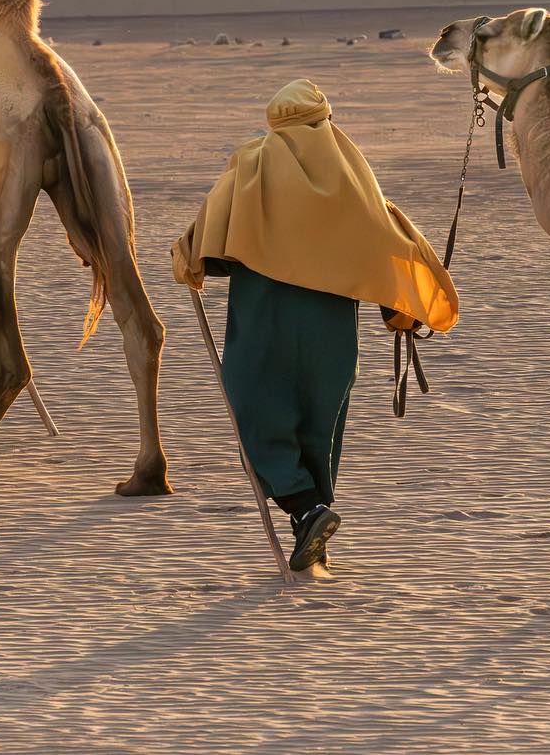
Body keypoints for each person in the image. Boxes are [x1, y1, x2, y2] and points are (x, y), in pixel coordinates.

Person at [173, 79, 458, 572]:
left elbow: (211, 250)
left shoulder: (251, 164)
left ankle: (306, 511)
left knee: (258, 417)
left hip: (265, 330)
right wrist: (400, 310)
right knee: (319, 428)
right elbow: (381, 248)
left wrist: (190, 256)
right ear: (325, 123)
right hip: (331, 338)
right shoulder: (352, 177)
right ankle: (314, 522)